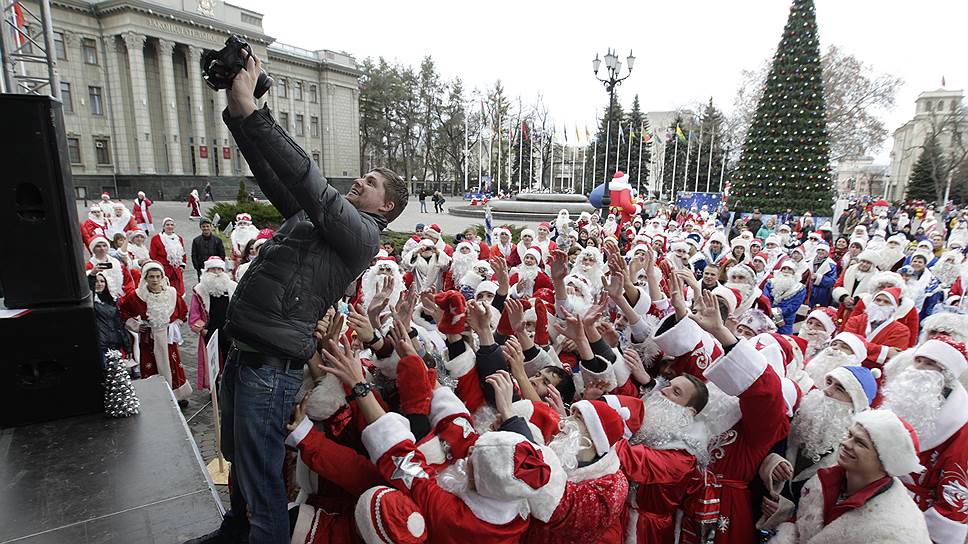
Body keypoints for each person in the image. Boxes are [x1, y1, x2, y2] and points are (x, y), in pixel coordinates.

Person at [187, 51, 409, 544]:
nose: (358, 181)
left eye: (370, 182)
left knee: (264, 476)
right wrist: (238, 107)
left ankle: (259, 536)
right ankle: (234, 528)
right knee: (241, 460)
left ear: (386, 206)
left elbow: (311, 182)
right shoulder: (319, 219)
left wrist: (257, 112)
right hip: (244, 354)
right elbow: (277, 174)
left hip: (271, 369)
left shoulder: (362, 235)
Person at [768, 410, 931, 543]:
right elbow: (799, 527)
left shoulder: (895, 530)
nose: (846, 444)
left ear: (885, 461)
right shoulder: (824, 480)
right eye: (849, 435)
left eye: (860, 443)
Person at [881, 335, 968, 542]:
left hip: (916, 516)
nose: (918, 368)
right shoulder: (901, 398)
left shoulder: (959, 426)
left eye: (930, 364)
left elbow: (955, 492)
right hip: (875, 494)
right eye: (918, 360)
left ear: (945, 376)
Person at [118, 261, 192, 406]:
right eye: (151, 277)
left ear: (162, 277)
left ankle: (178, 394)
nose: (155, 280)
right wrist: (136, 326)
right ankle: (155, 396)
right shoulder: (137, 296)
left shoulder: (171, 293)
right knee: (150, 365)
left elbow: (182, 311)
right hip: (149, 339)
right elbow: (123, 312)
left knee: (173, 363)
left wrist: (175, 324)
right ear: (145, 278)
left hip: (167, 337)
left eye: (158, 276)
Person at [189, 257, 236, 391]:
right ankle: (214, 390)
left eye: (219, 269)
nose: (216, 272)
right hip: (210, 331)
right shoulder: (200, 290)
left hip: (229, 331)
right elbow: (194, 313)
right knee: (212, 361)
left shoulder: (232, 286)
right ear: (207, 271)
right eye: (213, 269)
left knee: (230, 360)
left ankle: (229, 388)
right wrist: (202, 329)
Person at [90, 272, 134, 372]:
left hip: (115, 346)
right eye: (96, 281)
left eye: (102, 281)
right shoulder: (91, 302)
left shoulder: (113, 301)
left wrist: (127, 346)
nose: (99, 284)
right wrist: (91, 276)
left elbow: (120, 325)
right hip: (101, 347)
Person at [149, 218, 187, 297]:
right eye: (167, 225)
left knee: (178, 294)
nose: (170, 227)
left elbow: (183, 253)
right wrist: (157, 269)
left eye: (171, 225)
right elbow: (153, 255)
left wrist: (182, 265)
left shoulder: (178, 238)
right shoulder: (156, 239)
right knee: (164, 293)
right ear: (163, 227)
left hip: (177, 271)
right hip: (164, 270)